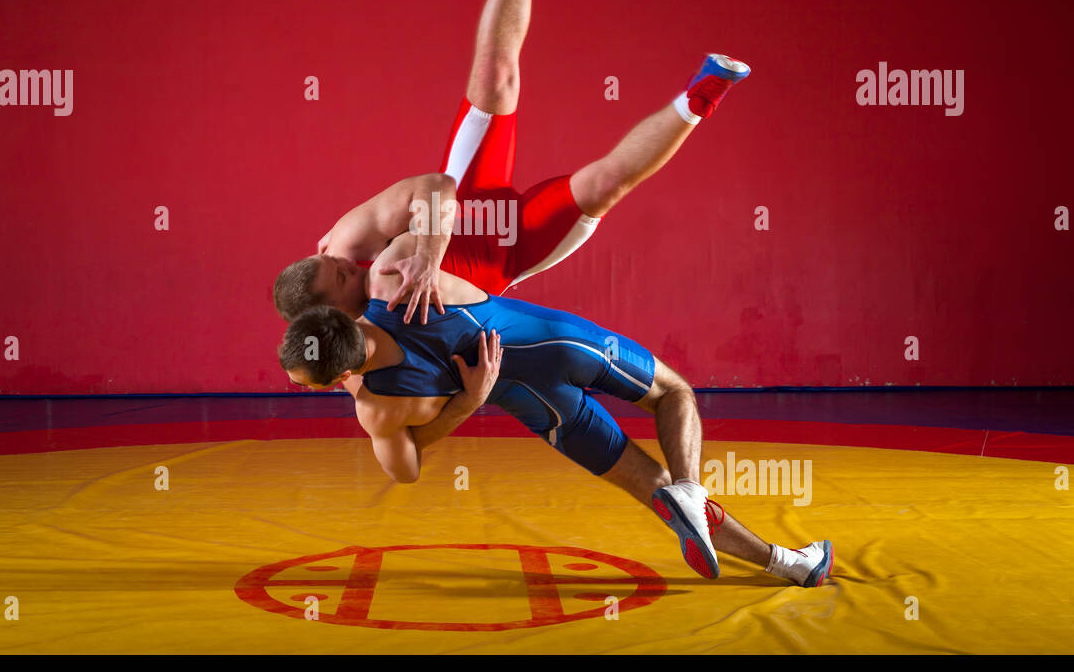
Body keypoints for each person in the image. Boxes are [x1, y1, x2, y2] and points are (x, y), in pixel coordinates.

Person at [274, 0, 750, 324]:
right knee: (606, 183)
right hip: (513, 253)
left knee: (494, 78)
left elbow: (437, 185)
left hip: (469, 197)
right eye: (340, 276)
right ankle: (702, 96)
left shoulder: (348, 241)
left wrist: (428, 257)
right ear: (332, 314)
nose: (343, 264)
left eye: (332, 262)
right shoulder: (353, 334)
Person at [278, 232, 834, 587]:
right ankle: (702, 498)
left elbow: (406, 470)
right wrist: (427, 249)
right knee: (674, 394)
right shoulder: (398, 273)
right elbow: (436, 189)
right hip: (560, 344)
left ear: (339, 375)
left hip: (545, 410)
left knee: (649, 486)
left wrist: (468, 401)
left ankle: (786, 562)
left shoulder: (377, 408)